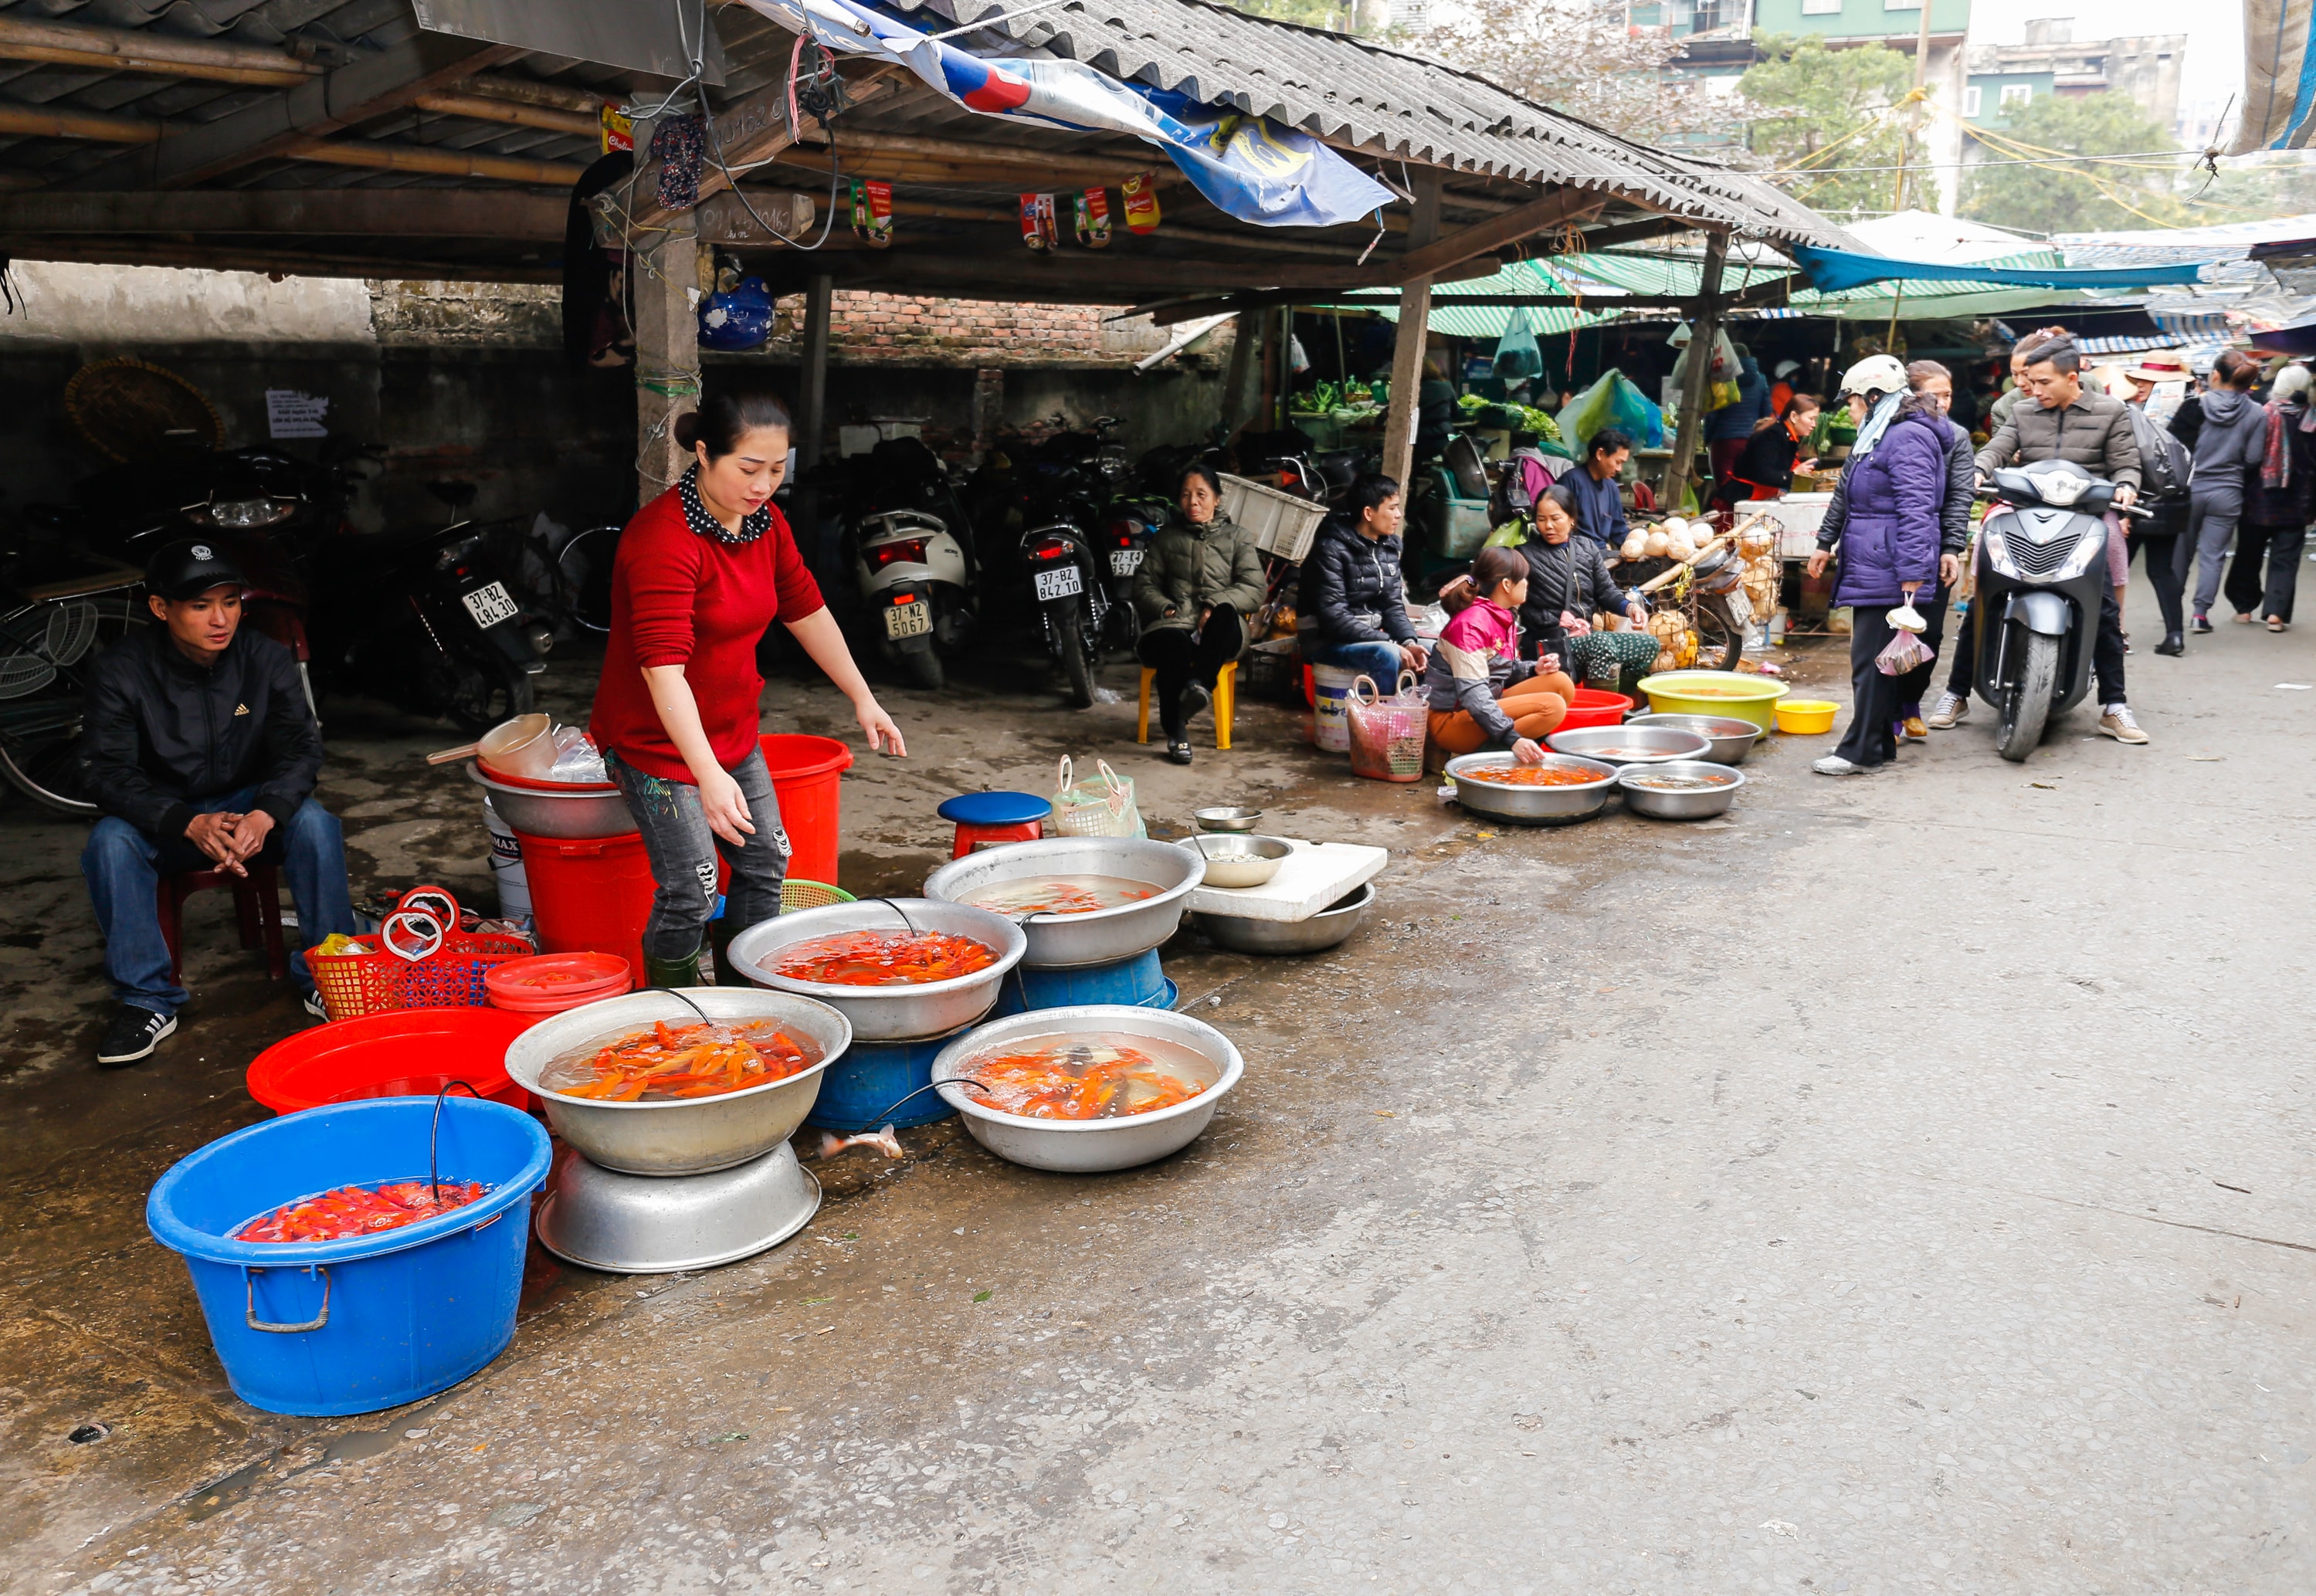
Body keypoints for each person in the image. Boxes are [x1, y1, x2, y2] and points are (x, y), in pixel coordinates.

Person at [591, 384, 906, 989]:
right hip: (655, 741)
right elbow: (663, 670)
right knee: (693, 884)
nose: (763, 484)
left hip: (732, 730)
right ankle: (673, 1003)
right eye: (749, 468)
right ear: (704, 454)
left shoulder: (766, 523)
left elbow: (806, 609)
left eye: (777, 469)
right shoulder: (663, 539)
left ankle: (748, 992)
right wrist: (707, 775)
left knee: (766, 861)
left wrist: (863, 696)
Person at [79, 539, 356, 1065]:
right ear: (161, 608)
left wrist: (265, 811)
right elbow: (104, 772)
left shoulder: (264, 658)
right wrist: (186, 821)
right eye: (201, 605)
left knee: (314, 824)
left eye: (230, 601)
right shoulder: (120, 670)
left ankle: (330, 974)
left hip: (248, 803)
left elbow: (301, 747)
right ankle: (145, 1001)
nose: (220, 618)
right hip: (168, 814)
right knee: (110, 841)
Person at [1961, 333, 2146, 745]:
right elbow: (1998, 448)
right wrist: (1977, 468)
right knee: (1984, 595)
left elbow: (2126, 462)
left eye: (2044, 382)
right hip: (2026, 510)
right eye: (2030, 381)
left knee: (2105, 610)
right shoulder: (2023, 411)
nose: (2033, 390)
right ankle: (1956, 693)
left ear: (2072, 376)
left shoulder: (2111, 411)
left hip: (2086, 516)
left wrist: (2127, 487)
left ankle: (2114, 705)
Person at [1806, 365, 1950, 774]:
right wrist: (1824, 542)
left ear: (1872, 396)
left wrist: (1911, 572)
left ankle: (1860, 751)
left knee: (1872, 662)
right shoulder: (1877, 433)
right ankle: (1881, 744)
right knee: (1878, 660)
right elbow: (1845, 492)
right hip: (1872, 559)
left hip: (1889, 565)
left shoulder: (1907, 437)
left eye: (1852, 400)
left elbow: (1918, 510)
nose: (1850, 410)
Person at [1134, 465, 1266, 766]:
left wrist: (1215, 603)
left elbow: (1254, 588)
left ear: (1217, 499)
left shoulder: (1238, 538)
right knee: (1172, 643)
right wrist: (1165, 608)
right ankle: (1178, 729)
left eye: (1201, 495)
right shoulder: (1166, 538)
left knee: (1223, 616)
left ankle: (1197, 687)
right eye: (1186, 495)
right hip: (1174, 621)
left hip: (1220, 630)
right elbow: (1143, 584)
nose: (1193, 502)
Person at [1424, 547, 1575, 764]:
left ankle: (1519, 751)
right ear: (1507, 585)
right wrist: (1512, 738)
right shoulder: (1469, 626)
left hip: (1486, 705)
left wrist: (1534, 668)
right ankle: (1488, 761)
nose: (1527, 584)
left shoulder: (1502, 616)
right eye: (1524, 578)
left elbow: (1500, 668)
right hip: (1451, 721)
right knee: (1552, 706)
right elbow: (1473, 695)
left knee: (1560, 682)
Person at [1505, 484, 1657, 698]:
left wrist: (1630, 608)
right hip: (1550, 643)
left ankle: (1621, 702)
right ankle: (1600, 711)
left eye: (1555, 518)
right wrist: (1556, 618)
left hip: (1585, 637)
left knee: (1648, 645)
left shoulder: (1587, 548)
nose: (1548, 526)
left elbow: (1606, 592)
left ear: (1571, 519)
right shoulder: (1525, 555)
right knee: (1602, 643)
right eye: (1541, 519)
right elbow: (1505, 594)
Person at [1887, 361, 1972, 737]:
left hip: (1936, 546)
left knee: (1929, 633)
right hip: (1893, 546)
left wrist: (1951, 547)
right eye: (1935, 395)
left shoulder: (1957, 437)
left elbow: (1959, 497)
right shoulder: (1890, 430)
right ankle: (1887, 712)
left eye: (1948, 395)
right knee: (1888, 632)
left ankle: (1910, 704)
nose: (1944, 402)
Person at [1297, 472, 1427, 688]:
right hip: (1326, 641)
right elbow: (1334, 618)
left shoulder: (1389, 547)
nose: (1399, 515)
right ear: (1368, 513)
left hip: (1370, 637)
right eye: (1392, 508)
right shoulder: (1330, 549)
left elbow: (1393, 606)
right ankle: (1380, 717)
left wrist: (1408, 641)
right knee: (1387, 654)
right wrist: (1391, 643)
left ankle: (1411, 716)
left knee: (1429, 651)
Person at [2179, 350, 2268, 635]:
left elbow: (2178, 451)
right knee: (2213, 555)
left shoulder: (2195, 407)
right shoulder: (2257, 412)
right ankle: (2200, 614)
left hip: (2192, 489)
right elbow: (2254, 458)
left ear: (2215, 375)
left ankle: (2172, 610)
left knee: (2181, 552)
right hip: (2228, 492)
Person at [2118, 354, 2196, 656]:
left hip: (2137, 500)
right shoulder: (2193, 410)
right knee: (2162, 570)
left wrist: (2123, 513)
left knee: (2116, 569)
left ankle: (2111, 633)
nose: (2139, 386)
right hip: (2176, 501)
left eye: (2144, 381)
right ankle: (2175, 635)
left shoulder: (2135, 415)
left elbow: (2130, 462)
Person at [2230, 361, 2316, 631]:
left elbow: (2248, 457)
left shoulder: (2260, 415)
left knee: (2248, 553)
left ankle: (2245, 608)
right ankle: (2275, 615)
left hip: (2258, 500)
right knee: (2285, 557)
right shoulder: (2311, 418)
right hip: (2299, 502)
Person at [1711, 393, 1820, 513]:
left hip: (1757, 500)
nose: (1814, 425)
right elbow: (1763, 474)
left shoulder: (1787, 436)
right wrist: (1794, 474)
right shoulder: (1771, 436)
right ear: (1794, 417)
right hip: (1741, 499)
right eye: (1811, 419)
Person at [1706, 345, 1772, 488]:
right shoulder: (1761, 380)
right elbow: (1767, 413)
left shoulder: (1722, 379)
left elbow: (1713, 414)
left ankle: (1726, 511)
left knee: (1725, 487)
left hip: (1725, 442)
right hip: (1751, 441)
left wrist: (1707, 438)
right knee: (1747, 486)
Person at [1565, 427, 1633, 548]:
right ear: (1600, 454)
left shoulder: (1611, 487)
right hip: (1577, 554)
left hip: (1601, 553)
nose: (1619, 469)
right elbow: (1560, 529)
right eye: (1618, 462)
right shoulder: (1571, 481)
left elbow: (1618, 530)